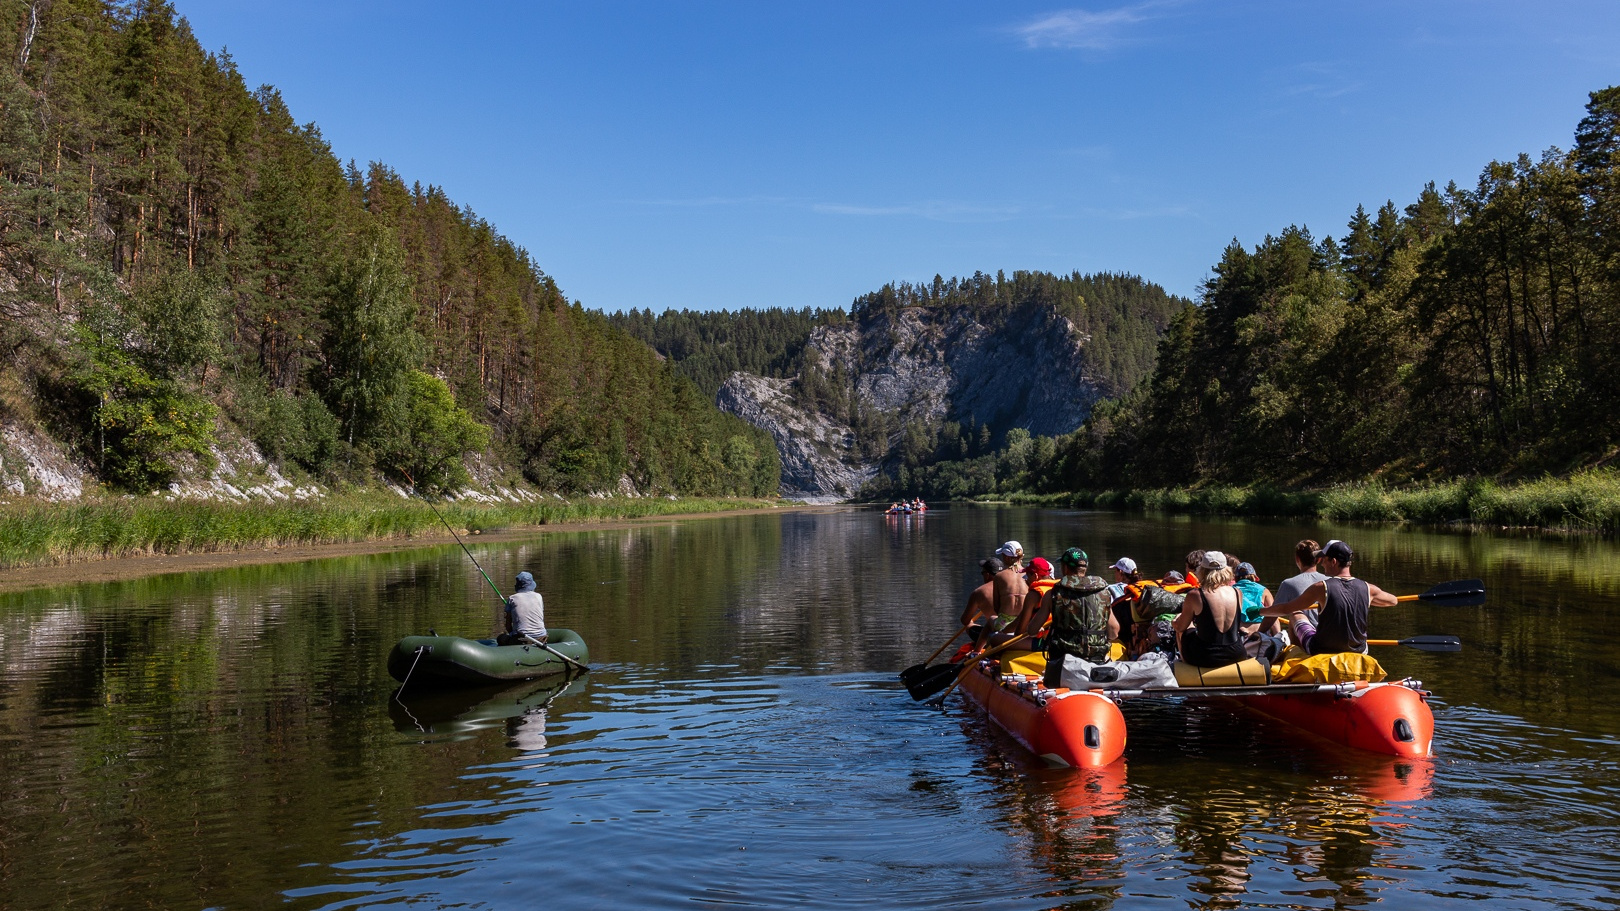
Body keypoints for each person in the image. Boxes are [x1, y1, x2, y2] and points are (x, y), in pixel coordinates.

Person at [1265, 540, 1397, 654]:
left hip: (1321, 649)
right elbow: (1393, 601)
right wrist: (1368, 599)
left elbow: (1286, 608)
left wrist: (1260, 611)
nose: (1321, 563)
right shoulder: (1368, 588)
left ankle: (1298, 659)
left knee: (1295, 615)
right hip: (1359, 649)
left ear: (1333, 561)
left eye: (1325, 560)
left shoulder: (1321, 587)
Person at [1032, 548, 1116, 688]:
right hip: (1096, 660)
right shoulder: (1104, 593)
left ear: (1065, 568)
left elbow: (1032, 630)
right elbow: (1114, 633)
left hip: (1063, 662)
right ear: (1085, 568)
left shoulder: (1053, 593)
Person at [1174, 551, 1250, 668]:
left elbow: (1180, 627)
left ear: (1202, 571)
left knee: (1183, 626)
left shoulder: (1195, 595)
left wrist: (1175, 621)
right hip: (1236, 653)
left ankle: (1185, 663)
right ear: (1226, 570)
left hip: (1206, 657)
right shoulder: (1237, 592)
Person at [1274, 539, 1328, 637]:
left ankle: (1296, 648)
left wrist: (1258, 633)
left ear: (1297, 559)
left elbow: (1272, 616)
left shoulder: (1288, 584)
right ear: (1319, 559)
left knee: (1294, 615)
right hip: (1328, 636)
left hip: (1306, 639)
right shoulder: (1331, 582)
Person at [984, 541, 1028, 646]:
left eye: (1003, 556)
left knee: (991, 619)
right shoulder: (1030, 575)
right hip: (1024, 623)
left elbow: (996, 606)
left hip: (1004, 623)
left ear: (1008, 558)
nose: (1002, 559)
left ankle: (976, 651)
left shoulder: (999, 576)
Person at [1013, 557, 1058, 641]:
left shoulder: (1033, 595)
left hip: (1041, 641)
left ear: (1035, 576)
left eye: (1028, 576)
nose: (1026, 580)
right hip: (1056, 639)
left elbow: (1019, 631)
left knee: (994, 638)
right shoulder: (1059, 589)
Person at [959, 557, 1003, 641]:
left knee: (969, 626)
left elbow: (965, 620)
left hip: (994, 637)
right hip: (1013, 633)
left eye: (982, 572)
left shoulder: (979, 592)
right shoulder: (1013, 587)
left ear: (987, 575)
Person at [498, 571, 547, 645]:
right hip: (541, 638)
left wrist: (511, 633)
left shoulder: (512, 598)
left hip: (521, 639)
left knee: (500, 638)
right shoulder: (539, 596)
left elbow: (508, 625)